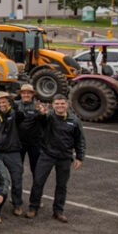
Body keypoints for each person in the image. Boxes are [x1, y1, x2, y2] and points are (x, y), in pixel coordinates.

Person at [27, 95, 86, 223]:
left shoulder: (74, 120)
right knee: (38, 182)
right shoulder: (48, 117)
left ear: (67, 105)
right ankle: (33, 207)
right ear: (53, 105)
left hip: (65, 157)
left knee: (61, 185)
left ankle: (58, 211)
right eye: (57, 104)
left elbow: (79, 140)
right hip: (47, 155)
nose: (60, 106)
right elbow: (39, 121)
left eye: (62, 104)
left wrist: (80, 157)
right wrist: (40, 114)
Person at [0, 91, 25, 216]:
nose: (2, 104)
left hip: (13, 152)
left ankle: (17, 204)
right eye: (0, 102)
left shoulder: (14, 115)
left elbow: (21, 116)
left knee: (16, 179)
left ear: (9, 102)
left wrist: (15, 106)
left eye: (4, 102)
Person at [15, 84, 44, 176]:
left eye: (28, 93)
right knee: (17, 169)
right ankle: (17, 189)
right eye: (24, 93)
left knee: (36, 169)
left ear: (32, 94)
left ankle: (36, 189)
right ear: (20, 94)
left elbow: (45, 122)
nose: (26, 95)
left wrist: (42, 114)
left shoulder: (38, 106)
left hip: (35, 143)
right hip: (19, 143)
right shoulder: (15, 105)